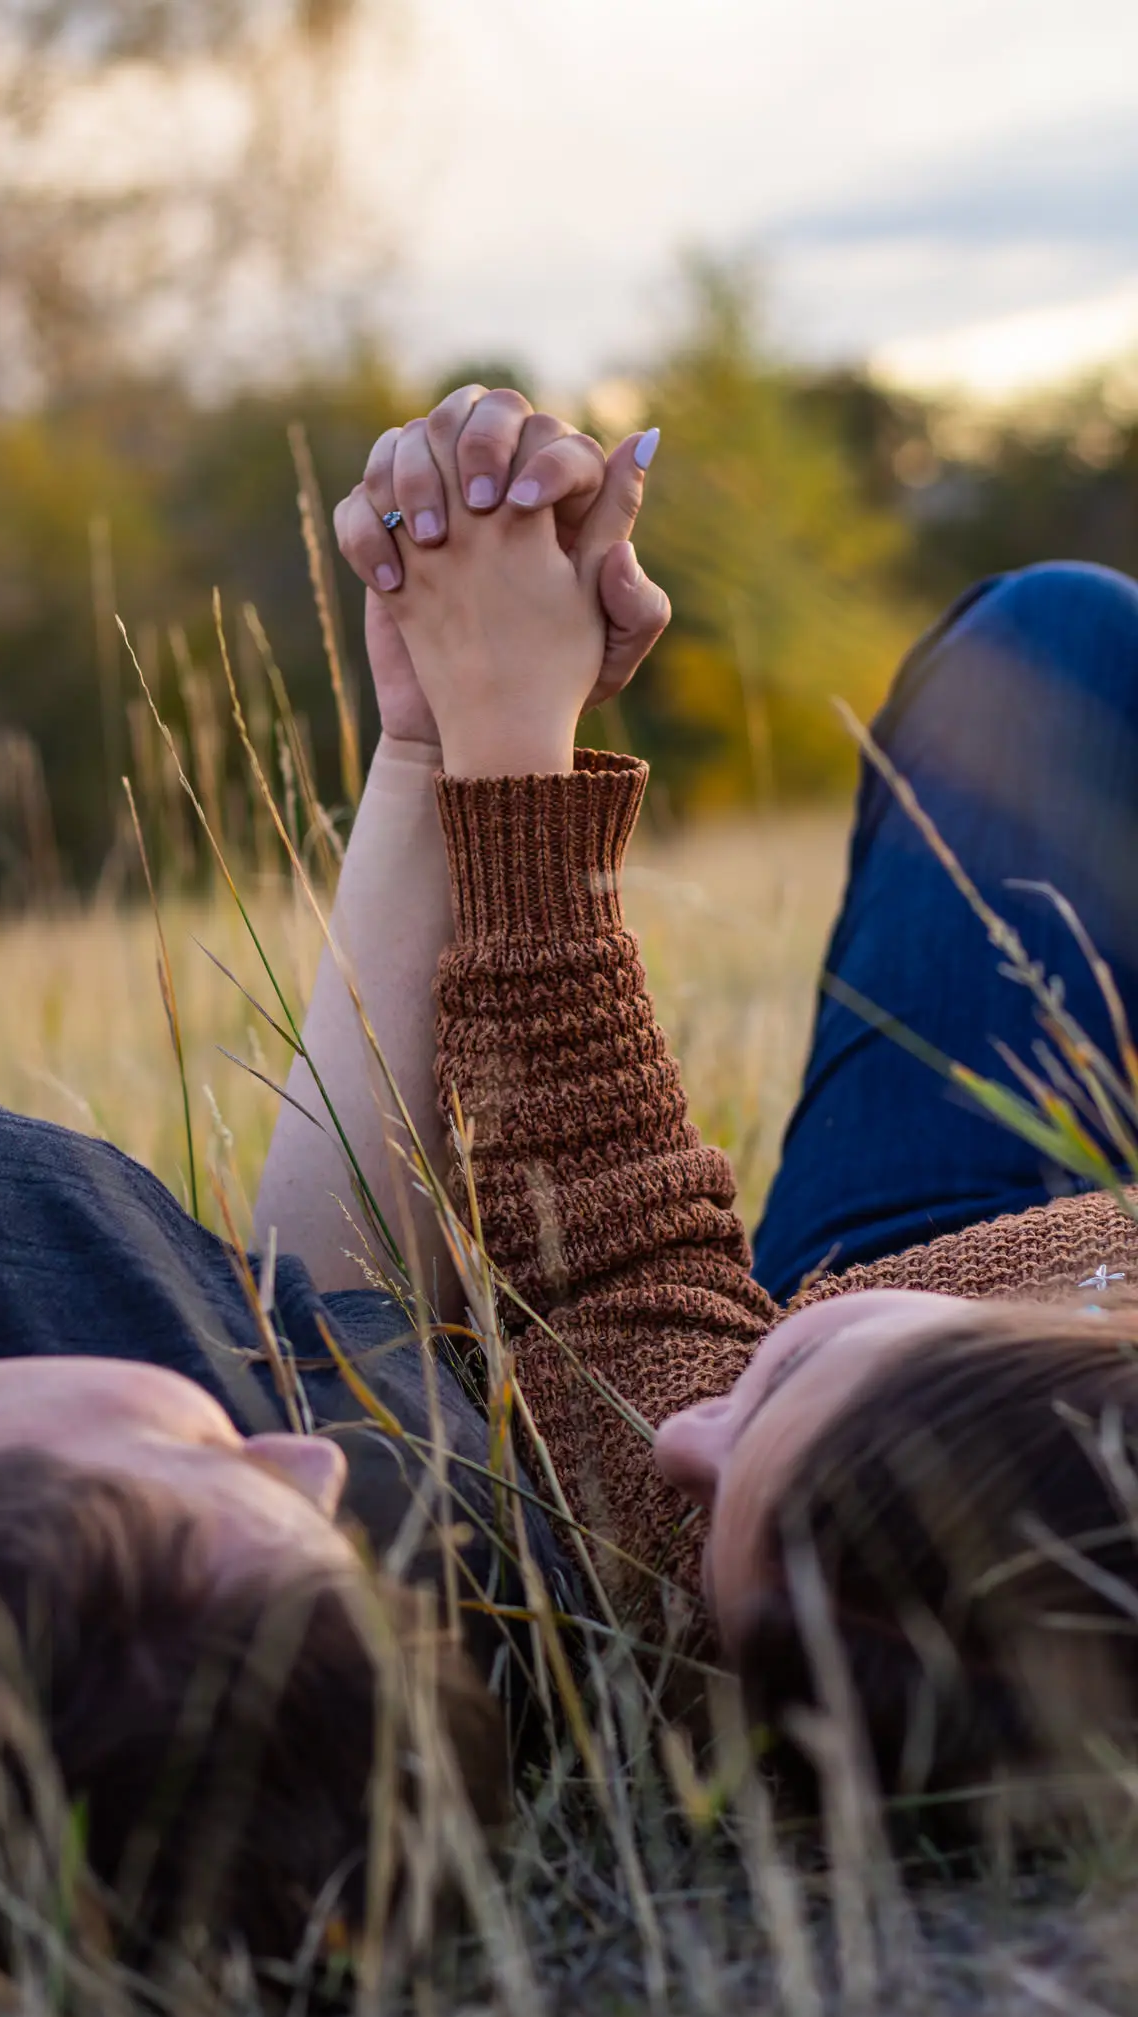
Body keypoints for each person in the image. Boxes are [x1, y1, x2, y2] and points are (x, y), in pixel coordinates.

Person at [0, 409, 670, 2012]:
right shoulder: (332, 1604)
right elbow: (311, 1305)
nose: (310, 1467)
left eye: (217, 1463)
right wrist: (454, 745)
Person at [284, 381, 1138, 1823]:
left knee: (1044, 647)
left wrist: (486, 739)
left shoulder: (800, 1589)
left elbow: (624, 1289)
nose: (693, 1439)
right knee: (1071, 641)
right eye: (773, 1395)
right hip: (1037, 1299)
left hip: (937, 1251)